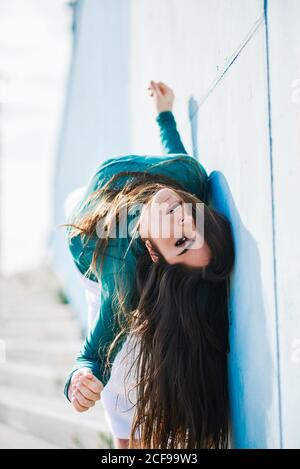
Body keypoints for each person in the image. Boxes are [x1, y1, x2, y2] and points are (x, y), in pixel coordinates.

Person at [62, 81, 235, 449]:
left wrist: (80, 382)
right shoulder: (190, 179)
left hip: (97, 268)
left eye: (181, 239)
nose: (181, 217)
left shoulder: (121, 281)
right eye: (195, 217)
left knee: (122, 375)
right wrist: (165, 114)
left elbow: (90, 358)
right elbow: (175, 159)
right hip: (91, 203)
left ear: (156, 254)